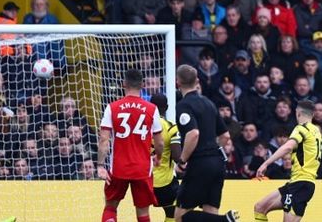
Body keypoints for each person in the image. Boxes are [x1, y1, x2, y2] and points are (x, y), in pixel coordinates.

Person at [97, 69, 164, 222]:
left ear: (124, 84)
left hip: (118, 168)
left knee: (110, 207)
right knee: (143, 213)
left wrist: (100, 165)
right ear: (142, 85)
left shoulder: (112, 107)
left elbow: (104, 140)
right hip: (142, 168)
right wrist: (158, 157)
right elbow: (160, 142)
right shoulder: (151, 109)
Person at [174, 64, 239, 222]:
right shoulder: (209, 103)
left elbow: (193, 134)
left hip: (200, 163)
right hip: (217, 162)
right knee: (210, 212)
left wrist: (182, 160)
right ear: (197, 81)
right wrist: (214, 151)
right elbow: (225, 136)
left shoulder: (184, 105)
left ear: (177, 82)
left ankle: (224, 221)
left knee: (180, 217)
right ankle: (222, 220)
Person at [254, 100, 322, 222]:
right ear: (312, 114)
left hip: (301, 183)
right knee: (260, 207)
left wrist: (265, 163)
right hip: (296, 183)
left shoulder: (302, 128)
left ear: (298, 113)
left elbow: (288, 147)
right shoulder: (316, 131)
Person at [150, 94, 181, 222]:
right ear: (167, 107)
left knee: (142, 211)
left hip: (143, 178)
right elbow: (177, 156)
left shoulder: (142, 126)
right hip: (164, 182)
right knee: (173, 212)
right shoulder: (171, 127)